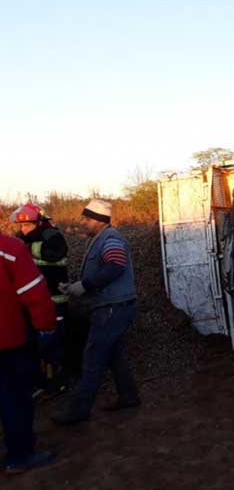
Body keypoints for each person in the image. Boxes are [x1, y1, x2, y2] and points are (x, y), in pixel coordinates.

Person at [53, 199, 140, 425]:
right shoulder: (101, 239)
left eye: (87, 219)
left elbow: (115, 266)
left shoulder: (110, 239)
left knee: (92, 358)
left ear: (99, 220)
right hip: (113, 305)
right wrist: (75, 285)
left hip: (112, 308)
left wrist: (86, 285)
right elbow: (104, 270)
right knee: (113, 354)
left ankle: (78, 411)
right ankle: (129, 396)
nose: (83, 222)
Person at [0, 231, 57, 474]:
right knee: (15, 399)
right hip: (8, 343)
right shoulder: (9, 249)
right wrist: (46, 327)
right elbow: (35, 294)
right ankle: (21, 455)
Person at [10, 203, 72, 394]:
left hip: (54, 302)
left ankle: (57, 383)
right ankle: (42, 382)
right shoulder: (26, 239)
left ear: (39, 222)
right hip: (34, 303)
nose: (24, 229)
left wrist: (24, 250)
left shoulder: (53, 239)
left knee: (53, 344)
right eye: (22, 226)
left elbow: (52, 255)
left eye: (28, 225)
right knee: (35, 344)